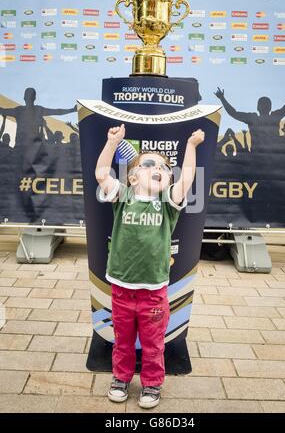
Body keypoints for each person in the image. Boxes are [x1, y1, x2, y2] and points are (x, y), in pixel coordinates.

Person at [95, 123, 205, 409]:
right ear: (132, 177)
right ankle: (121, 378)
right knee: (123, 340)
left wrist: (190, 148)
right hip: (121, 288)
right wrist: (112, 143)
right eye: (148, 164)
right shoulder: (123, 197)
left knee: (154, 343)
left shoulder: (168, 203)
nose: (159, 167)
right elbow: (101, 174)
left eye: (164, 166)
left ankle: (152, 383)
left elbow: (187, 180)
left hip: (154, 292)